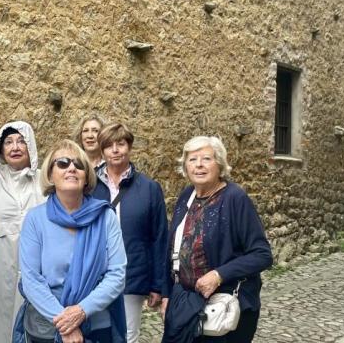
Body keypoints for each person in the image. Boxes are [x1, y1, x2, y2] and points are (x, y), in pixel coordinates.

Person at [161, 136, 273, 343]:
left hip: (223, 306)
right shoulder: (187, 196)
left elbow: (262, 255)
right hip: (185, 302)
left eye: (206, 159)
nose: (199, 165)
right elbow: (173, 250)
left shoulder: (235, 198)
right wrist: (167, 294)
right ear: (185, 167)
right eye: (192, 159)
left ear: (219, 164)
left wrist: (219, 275)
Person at [16, 139, 127, 343]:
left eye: (79, 164)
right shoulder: (35, 219)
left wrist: (81, 311)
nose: (72, 168)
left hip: (97, 325)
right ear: (50, 175)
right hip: (48, 326)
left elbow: (117, 274)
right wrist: (65, 324)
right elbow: (31, 279)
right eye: (63, 163)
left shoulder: (105, 217)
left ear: (86, 176)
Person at [91, 122, 168, 343]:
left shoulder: (149, 188)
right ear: (102, 150)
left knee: (127, 336)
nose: (115, 150)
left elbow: (159, 238)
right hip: (95, 275)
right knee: (95, 334)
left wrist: (158, 285)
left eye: (121, 144)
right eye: (109, 146)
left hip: (131, 276)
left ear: (130, 147)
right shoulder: (89, 185)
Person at [0, 121, 46, 343]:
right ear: (0, 148)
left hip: (34, 266)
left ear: (30, 146)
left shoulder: (44, 181)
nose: (15, 147)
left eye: (21, 141)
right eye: (8, 142)